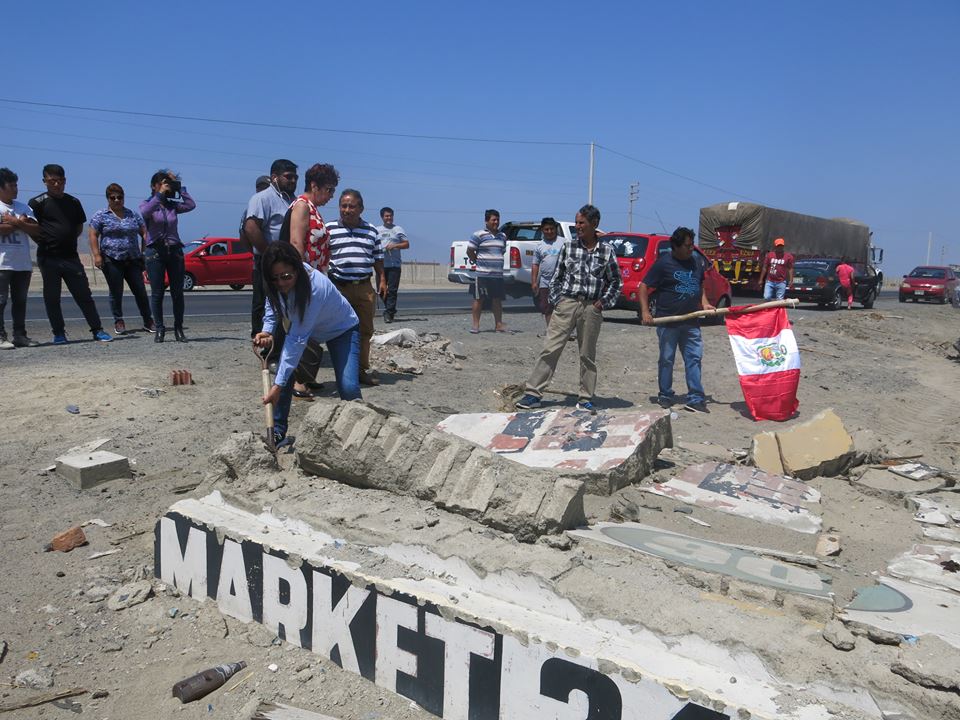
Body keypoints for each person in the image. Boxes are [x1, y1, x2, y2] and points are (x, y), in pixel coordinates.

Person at [515, 205, 621, 414]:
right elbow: (557, 277)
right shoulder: (569, 247)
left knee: (587, 354)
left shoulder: (607, 251)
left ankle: (585, 398)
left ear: (594, 224)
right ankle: (533, 394)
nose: (578, 227)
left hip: (591, 307)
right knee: (551, 347)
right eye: (577, 222)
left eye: (582, 223)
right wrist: (558, 301)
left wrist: (602, 304)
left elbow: (616, 281)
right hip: (567, 303)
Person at [253, 242, 361, 446]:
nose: (281, 283)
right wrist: (267, 330)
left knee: (347, 386)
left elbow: (297, 339)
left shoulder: (315, 287)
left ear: (297, 269)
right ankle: (277, 432)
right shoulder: (275, 284)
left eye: (286, 277)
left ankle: (358, 431)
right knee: (284, 377)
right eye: (275, 278)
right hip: (307, 331)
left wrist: (276, 386)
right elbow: (271, 305)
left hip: (341, 330)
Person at [28, 164, 113, 344]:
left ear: (65, 181)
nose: (57, 184)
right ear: (45, 182)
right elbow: (32, 229)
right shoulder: (36, 203)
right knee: (52, 297)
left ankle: (97, 330)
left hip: (70, 257)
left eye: (60, 181)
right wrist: (45, 242)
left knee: (84, 295)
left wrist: (66, 238)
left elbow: (78, 227)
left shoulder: (73, 202)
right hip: (48, 257)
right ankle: (59, 333)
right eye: (52, 181)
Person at [279, 162, 339, 398]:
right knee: (301, 330)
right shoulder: (302, 206)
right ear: (315, 186)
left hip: (315, 278)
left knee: (311, 331)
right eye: (329, 190)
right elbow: (296, 245)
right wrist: (303, 279)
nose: (331, 195)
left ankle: (306, 377)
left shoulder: (313, 207)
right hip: (304, 279)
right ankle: (297, 382)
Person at [639, 227, 715, 413]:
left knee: (694, 358)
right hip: (668, 322)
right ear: (676, 246)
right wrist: (645, 312)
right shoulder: (663, 264)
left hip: (691, 322)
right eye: (688, 246)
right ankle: (665, 394)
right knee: (666, 359)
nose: (691, 249)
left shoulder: (696, 262)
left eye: (692, 245)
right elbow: (643, 286)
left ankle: (696, 398)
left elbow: (700, 285)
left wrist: (704, 303)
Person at [325, 189, 386, 386]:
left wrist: (382, 280)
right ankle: (343, 372)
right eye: (344, 205)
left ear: (361, 208)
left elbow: (378, 259)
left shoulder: (371, 231)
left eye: (352, 206)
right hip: (338, 288)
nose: (347, 210)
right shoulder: (329, 229)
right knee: (338, 330)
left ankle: (360, 371)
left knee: (365, 331)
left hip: (364, 288)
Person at [88, 183, 154, 335]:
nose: (117, 200)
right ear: (108, 199)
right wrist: (97, 255)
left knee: (140, 290)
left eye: (120, 197)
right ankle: (119, 320)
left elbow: (144, 232)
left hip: (133, 259)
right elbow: (92, 235)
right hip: (112, 259)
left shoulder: (132, 214)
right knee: (116, 291)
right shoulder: (101, 215)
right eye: (113, 198)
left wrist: (145, 252)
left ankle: (148, 320)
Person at [140, 169, 196, 343]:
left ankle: (178, 328)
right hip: (155, 251)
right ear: (154, 186)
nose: (166, 186)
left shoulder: (173, 206)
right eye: (163, 183)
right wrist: (159, 195)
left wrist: (180, 187)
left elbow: (191, 205)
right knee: (157, 293)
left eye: (168, 183)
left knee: (177, 292)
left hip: (174, 250)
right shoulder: (147, 203)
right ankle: (160, 329)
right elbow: (145, 213)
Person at [245, 159, 297, 342]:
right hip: (267, 262)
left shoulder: (293, 200)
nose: (292, 181)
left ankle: (282, 347)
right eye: (288, 177)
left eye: (295, 177)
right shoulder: (262, 198)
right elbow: (251, 228)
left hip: (287, 264)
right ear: (274, 177)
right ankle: (266, 348)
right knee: (267, 306)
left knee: (285, 306)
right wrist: (268, 254)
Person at [0, 168, 39, 348]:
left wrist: (13, 222)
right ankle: (1, 336)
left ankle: (20, 336)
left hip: (22, 263)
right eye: (11, 185)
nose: (16, 189)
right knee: (0, 301)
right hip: (2, 262)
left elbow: (36, 229)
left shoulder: (23, 207)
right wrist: (22, 224)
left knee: (20, 302)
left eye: (16, 185)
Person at [468, 209, 507, 333]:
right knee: (479, 299)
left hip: (498, 275)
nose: (496, 222)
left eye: (497, 219)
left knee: (497, 300)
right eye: (493, 220)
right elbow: (470, 251)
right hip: (483, 274)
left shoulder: (503, 236)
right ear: (486, 221)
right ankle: (475, 326)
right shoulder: (478, 235)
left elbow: (502, 251)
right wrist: (476, 261)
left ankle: (498, 325)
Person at [376, 207, 409, 323]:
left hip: (394, 265)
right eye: (386, 216)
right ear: (382, 217)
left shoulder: (398, 229)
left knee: (392, 290)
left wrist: (394, 246)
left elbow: (406, 244)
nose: (388, 218)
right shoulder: (377, 230)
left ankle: (389, 313)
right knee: (381, 290)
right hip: (381, 264)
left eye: (390, 216)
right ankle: (391, 309)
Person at [531, 217, 563, 329]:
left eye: (552, 229)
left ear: (556, 229)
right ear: (542, 230)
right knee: (547, 307)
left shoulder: (563, 242)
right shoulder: (539, 246)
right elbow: (535, 264)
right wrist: (534, 282)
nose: (549, 232)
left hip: (561, 282)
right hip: (545, 282)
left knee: (562, 307)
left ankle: (563, 331)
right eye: (546, 229)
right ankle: (551, 331)